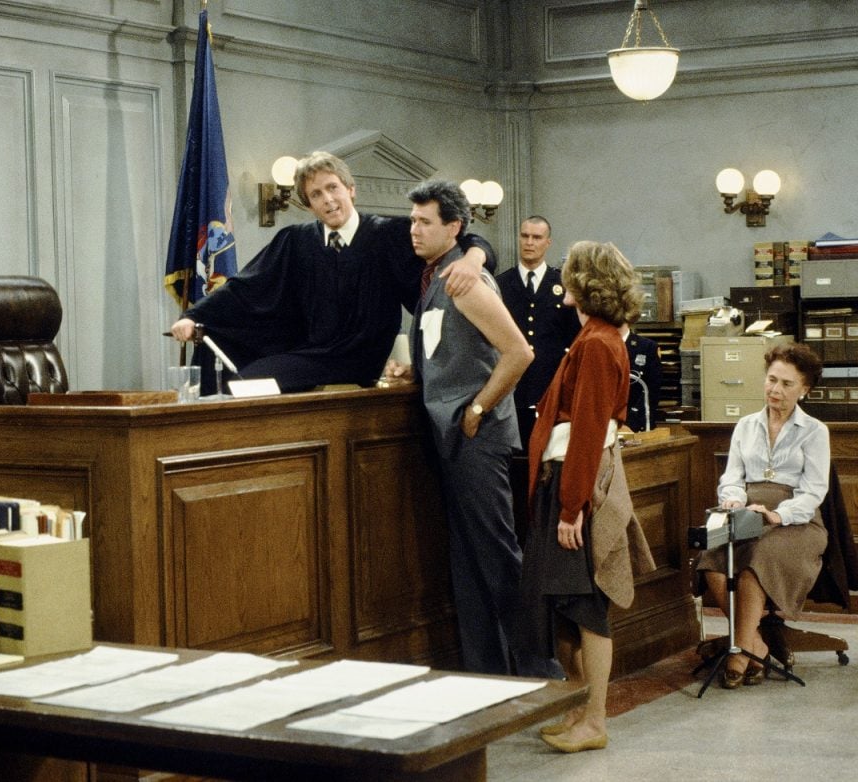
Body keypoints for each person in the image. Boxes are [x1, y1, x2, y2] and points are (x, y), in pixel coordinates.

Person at [169, 151, 494, 393]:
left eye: (333, 188)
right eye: (316, 195)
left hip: (357, 358)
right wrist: (196, 316)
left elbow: (464, 236)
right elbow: (244, 288)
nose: (328, 200)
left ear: (350, 189)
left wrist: (474, 258)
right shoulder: (296, 241)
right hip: (310, 351)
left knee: (251, 382)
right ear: (308, 205)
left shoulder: (388, 234)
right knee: (235, 373)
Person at [407, 180, 550, 677]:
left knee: (497, 556)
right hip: (450, 435)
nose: (414, 230)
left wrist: (477, 409)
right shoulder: (438, 277)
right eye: (413, 220)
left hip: (476, 437)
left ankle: (542, 672)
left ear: (455, 227)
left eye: (425, 221)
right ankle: (487, 671)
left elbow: (520, 353)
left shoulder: (465, 281)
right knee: (468, 564)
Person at [521, 241, 655, 753]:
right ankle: (580, 711)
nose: (563, 283)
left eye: (570, 274)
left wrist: (572, 507)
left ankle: (594, 719)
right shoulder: (595, 337)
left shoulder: (598, 343)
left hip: (573, 486)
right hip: (564, 482)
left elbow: (588, 430)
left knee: (585, 606)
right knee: (564, 606)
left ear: (584, 283)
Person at [696, 343, 829, 689]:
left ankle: (739, 654)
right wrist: (734, 501)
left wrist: (777, 515)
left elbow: (814, 491)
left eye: (787, 384)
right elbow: (731, 478)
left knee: (758, 557)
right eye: (772, 380)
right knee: (710, 557)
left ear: (805, 390)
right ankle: (755, 644)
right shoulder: (746, 425)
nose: (775, 390)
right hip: (747, 512)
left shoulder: (815, 431)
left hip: (796, 520)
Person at [495, 217, 581, 446]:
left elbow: (575, 339)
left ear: (548, 242)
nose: (529, 242)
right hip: (512, 390)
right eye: (525, 236)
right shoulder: (500, 285)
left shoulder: (563, 285)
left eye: (536, 237)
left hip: (551, 388)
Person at [624, 325, 662, 431]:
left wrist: (630, 422)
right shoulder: (597, 345)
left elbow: (652, 390)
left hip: (636, 424)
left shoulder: (647, 347)